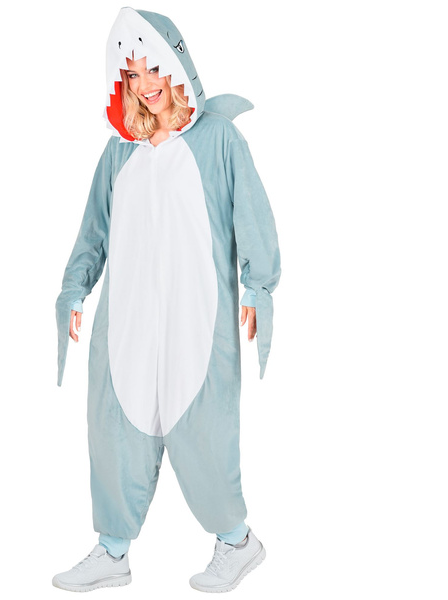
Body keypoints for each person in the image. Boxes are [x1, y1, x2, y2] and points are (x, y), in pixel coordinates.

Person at [52, 6, 281, 594]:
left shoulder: (218, 139)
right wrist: (75, 288)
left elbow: (252, 214)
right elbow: (93, 232)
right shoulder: (119, 153)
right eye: (131, 75)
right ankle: (112, 551)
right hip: (127, 321)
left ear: (176, 66)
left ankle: (238, 542)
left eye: (151, 69)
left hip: (196, 318)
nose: (144, 84)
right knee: (113, 429)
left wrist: (258, 284)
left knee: (203, 429)